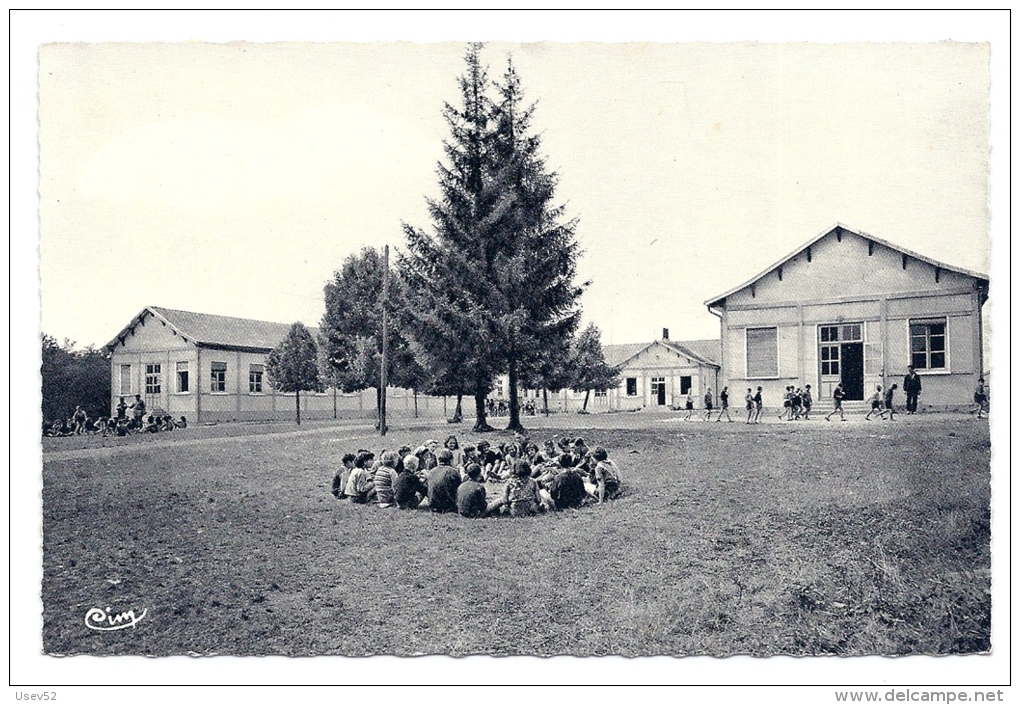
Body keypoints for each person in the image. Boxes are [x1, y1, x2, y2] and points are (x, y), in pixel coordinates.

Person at [427, 449, 462, 513]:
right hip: (448, 506)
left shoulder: (431, 471)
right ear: (451, 460)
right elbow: (460, 488)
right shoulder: (453, 472)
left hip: (432, 505)